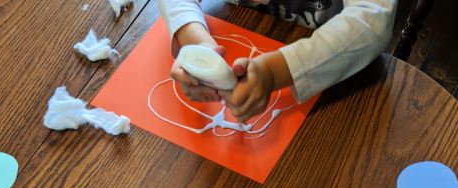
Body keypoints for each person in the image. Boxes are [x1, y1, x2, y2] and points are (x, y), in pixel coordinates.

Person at [157, 0, 397, 121]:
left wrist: (275, 72)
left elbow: (372, 20)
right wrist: (195, 39)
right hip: (245, 25)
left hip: (340, 78)